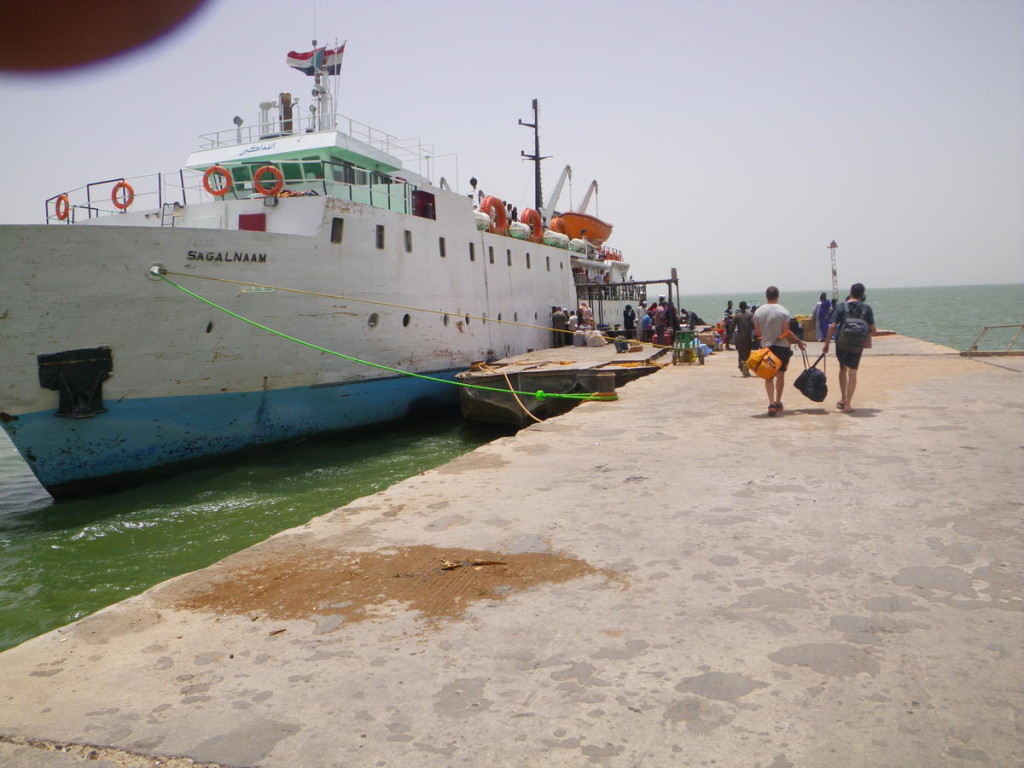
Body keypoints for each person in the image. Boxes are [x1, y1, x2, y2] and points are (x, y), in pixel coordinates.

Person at [823, 282, 877, 413]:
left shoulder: (841, 306)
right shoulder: (867, 309)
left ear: (851, 292)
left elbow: (832, 326)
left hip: (842, 343)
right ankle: (848, 404)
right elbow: (873, 330)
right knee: (853, 372)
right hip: (857, 345)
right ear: (862, 294)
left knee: (843, 369)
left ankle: (843, 397)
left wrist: (827, 343)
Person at [753, 285, 806, 416]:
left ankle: (770, 403)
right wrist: (798, 341)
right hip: (782, 347)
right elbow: (786, 332)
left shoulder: (758, 312)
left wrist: (765, 339)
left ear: (766, 296)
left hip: (766, 348)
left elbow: (758, 333)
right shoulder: (783, 311)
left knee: (768, 376)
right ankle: (777, 402)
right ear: (777, 296)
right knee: (780, 375)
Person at [732, 301, 755, 377]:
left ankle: (742, 366)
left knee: (741, 354)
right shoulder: (750, 315)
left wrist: (728, 337)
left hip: (740, 337)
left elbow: (732, 327)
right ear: (746, 307)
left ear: (739, 307)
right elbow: (754, 325)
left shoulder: (737, 316)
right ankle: (745, 367)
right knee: (748, 353)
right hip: (748, 337)